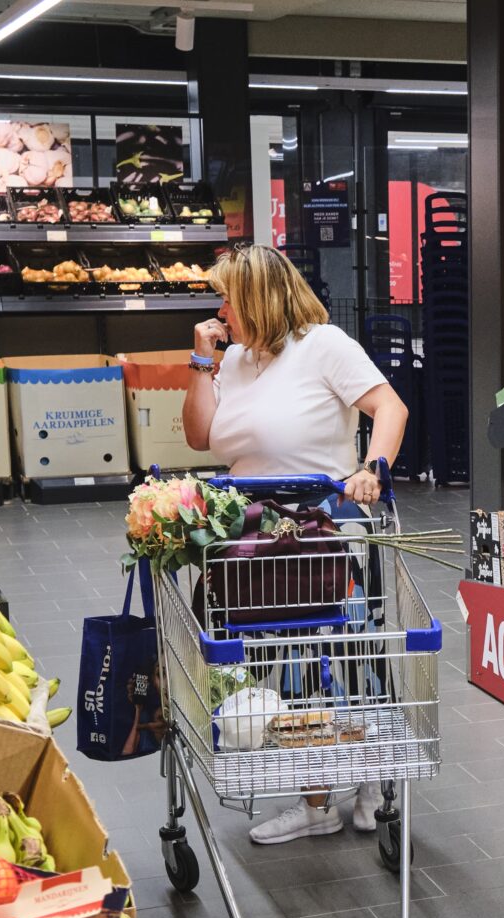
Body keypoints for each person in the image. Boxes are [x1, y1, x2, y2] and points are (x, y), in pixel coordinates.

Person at [184, 244, 410, 845]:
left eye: (228, 297)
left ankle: (363, 779)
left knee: (339, 660)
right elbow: (202, 435)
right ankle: (317, 799)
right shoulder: (232, 362)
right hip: (254, 537)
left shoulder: (324, 346)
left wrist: (374, 467)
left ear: (258, 297)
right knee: (280, 663)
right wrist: (201, 362)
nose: (221, 309)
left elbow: (389, 406)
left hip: (324, 531)